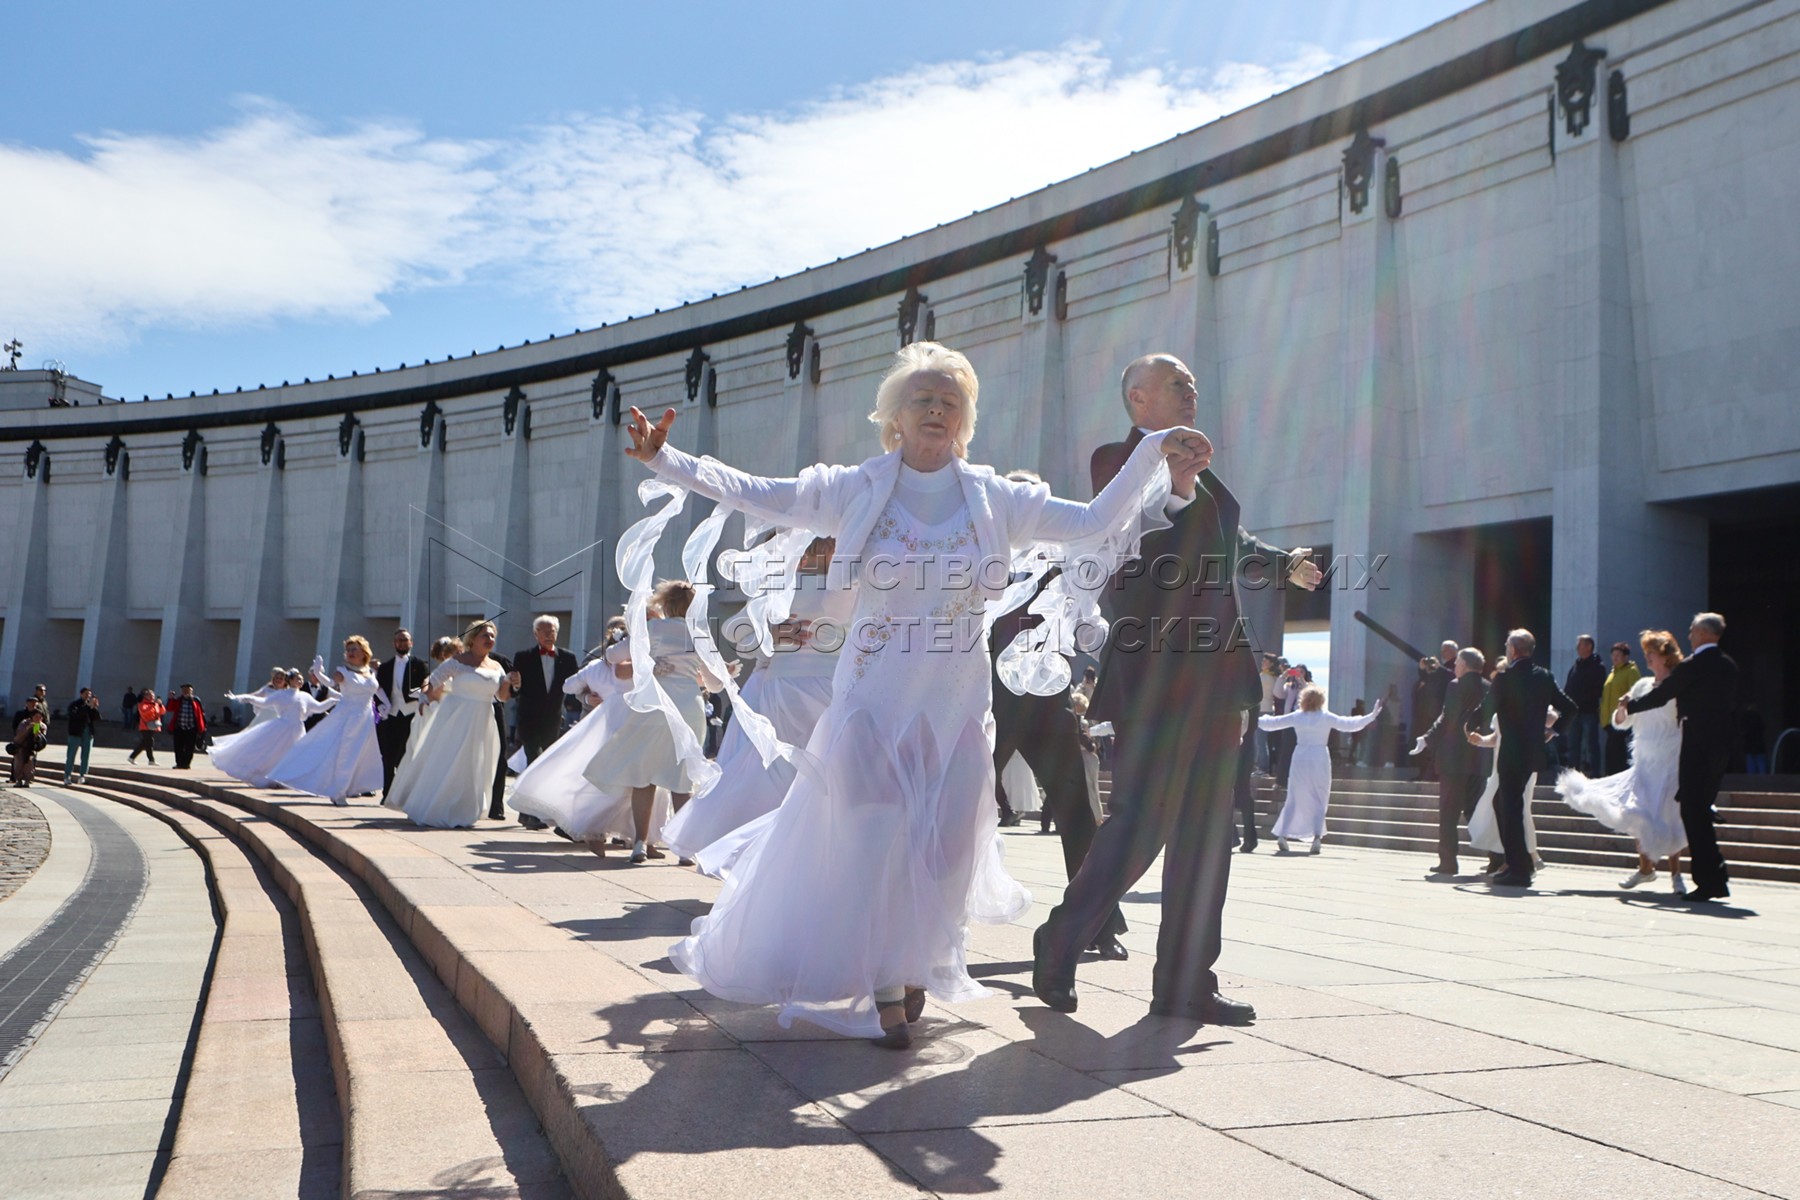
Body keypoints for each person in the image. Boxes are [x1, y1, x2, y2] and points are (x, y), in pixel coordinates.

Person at [630, 340, 1209, 1047]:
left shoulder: (997, 498)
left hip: (957, 706)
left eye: (950, 400)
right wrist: (667, 460)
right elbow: (758, 491)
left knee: (943, 850)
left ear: (965, 420)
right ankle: (884, 977)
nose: (936, 408)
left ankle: (911, 962)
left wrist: (1151, 453)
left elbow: (1092, 523)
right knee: (877, 830)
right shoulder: (857, 488)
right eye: (922, 398)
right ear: (894, 416)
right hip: (871, 701)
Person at [1034, 352, 1320, 1026]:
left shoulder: (1201, 467)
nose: (1192, 391)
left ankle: (1187, 984)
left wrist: (1285, 564)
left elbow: (1228, 540)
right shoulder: (1119, 459)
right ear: (1139, 399)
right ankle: (1061, 938)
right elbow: (1138, 530)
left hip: (1217, 680)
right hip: (1156, 676)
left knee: (1207, 833)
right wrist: (1180, 491)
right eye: (1176, 384)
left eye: (1193, 382)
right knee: (1142, 819)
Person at [664, 538, 852, 870]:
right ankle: (788, 860)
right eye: (822, 546)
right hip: (796, 690)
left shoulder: (835, 582)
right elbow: (738, 629)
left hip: (818, 689)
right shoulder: (807, 584)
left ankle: (793, 859)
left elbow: (738, 630)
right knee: (792, 775)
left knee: (800, 775)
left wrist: (771, 635)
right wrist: (772, 634)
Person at [582, 581, 723, 862]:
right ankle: (683, 849)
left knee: (644, 778)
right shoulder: (700, 635)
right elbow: (716, 685)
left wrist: (648, 663)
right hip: (688, 708)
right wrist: (693, 674)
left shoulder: (652, 629)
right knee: (682, 778)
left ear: (664, 604)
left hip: (653, 706)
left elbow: (611, 656)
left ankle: (639, 843)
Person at [1620, 612, 1738, 903]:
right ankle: (1716, 877)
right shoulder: (1729, 665)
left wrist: (1631, 705)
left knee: (1692, 812)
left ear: (1703, 633)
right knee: (1699, 809)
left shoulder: (1693, 665)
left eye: (1692, 630)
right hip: (1722, 746)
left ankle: (1708, 882)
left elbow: (1662, 695)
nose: (1689, 635)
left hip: (1695, 745)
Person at [1560, 630, 1687, 893]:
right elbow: (1621, 723)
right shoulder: (1642, 685)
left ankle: (1676, 874)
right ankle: (1645, 870)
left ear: (1665, 656)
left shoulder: (1677, 686)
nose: (1648, 659)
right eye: (1646, 655)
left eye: (1651, 654)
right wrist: (1622, 707)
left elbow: (1687, 721)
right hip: (1645, 762)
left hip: (1670, 760)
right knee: (1637, 812)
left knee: (1670, 815)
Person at [386, 620, 516, 829]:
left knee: (475, 764)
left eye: (492, 636)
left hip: (483, 719)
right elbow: (434, 680)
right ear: (473, 638)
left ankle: (465, 810)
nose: (490, 639)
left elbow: (501, 697)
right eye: (485, 635)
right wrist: (425, 699)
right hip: (457, 717)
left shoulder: (496, 666)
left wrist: (509, 683)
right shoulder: (457, 661)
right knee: (451, 760)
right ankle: (437, 805)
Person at [1474, 629, 1575, 888]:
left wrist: (1464, 724)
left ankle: (1519, 870)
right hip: (1532, 753)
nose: (1506, 648)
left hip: (1511, 753)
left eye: (1508, 645)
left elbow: (1486, 708)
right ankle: (1521, 863)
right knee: (1506, 804)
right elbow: (1570, 708)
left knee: (1511, 808)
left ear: (1513, 650)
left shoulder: (1506, 677)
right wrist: (1553, 731)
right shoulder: (1543, 676)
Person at [270, 636, 390, 805]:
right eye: (348, 650)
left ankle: (350, 788)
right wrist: (319, 673)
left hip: (366, 719)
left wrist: (386, 704)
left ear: (364, 652)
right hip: (348, 717)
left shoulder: (370, 671)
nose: (350, 653)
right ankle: (338, 792)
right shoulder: (343, 671)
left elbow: (376, 689)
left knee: (362, 756)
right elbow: (331, 683)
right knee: (346, 754)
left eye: (354, 649)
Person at [1259, 688, 1380, 854]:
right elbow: (1348, 724)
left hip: (1300, 756)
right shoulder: (1325, 716)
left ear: (1303, 699)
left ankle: (1283, 835)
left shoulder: (1298, 716)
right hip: (1319, 757)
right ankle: (1316, 838)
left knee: (1294, 797)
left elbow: (1272, 723)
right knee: (1319, 797)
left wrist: (1254, 717)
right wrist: (1370, 717)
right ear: (1322, 700)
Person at [1411, 647, 1491, 877]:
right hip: (1479, 758)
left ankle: (1448, 861)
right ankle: (1497, 857)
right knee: (1476, 810)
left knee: (1448, 812)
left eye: (1457, 663)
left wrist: (1427, 739)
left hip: (1454, 760)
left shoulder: (1456, 686)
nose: (1454, 667)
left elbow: (1448, 718)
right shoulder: (1489, 687)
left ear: (1464, 665)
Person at [213, 669, 336, 788]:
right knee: (276, 753)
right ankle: (270, 776)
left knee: (295, 755)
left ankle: (287, 778)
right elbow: (263, 701)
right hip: (282, 728)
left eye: (301, 679)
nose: (300, 680)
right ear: (290, 680)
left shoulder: (305, 696)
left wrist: (333, 700)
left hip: (298, 729)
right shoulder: (281, 694)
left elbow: (319, 707)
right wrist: (245, 697)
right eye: (298, 678)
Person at [511, 616, 579, 764]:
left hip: (554, 717)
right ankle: (529, 787)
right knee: (533, 755)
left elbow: (577, 684)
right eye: (544, 631)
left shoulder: (568, 658)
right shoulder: (523, 657)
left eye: (552, 631)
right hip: (528, 717)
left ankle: (543, 787)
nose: (549, 635)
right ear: (536, 634)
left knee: (549, 759)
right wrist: (516, 685)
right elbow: (515, 689)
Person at [375, 628, 430, 797]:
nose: (402, 643)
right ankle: (387, 793)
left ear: (411, 643)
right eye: (398, 640)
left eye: (405, 640)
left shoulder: (419, 664)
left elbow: (426, 684)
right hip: (390, 715)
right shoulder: (385, 667)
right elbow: (377, 689)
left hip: (410, 714)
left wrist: (419, 693)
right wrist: (380, 706)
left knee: (406, 754)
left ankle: (405, 792)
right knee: (388, 755)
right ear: (394, 643)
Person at [1563, 635, 1607, 776]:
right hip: (1574, 714)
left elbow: (1598, 690)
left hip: (1588, 712)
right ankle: (1572, 776)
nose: (1577, 647)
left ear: (1589, 647)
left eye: (1580, 644)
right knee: (1572, 747)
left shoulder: (1597, 667)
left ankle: (1595, 776)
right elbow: (1568, 688)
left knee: (1591, 746)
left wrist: (1581, 701)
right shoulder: (1576, 666)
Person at [1600, 642, 1641, 777]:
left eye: (1618, 655)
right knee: (1611, 753)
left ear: (1626, 657)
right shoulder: (1613, 673)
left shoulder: (1631, 671)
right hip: (1609, 722)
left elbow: (1635, 693)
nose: (1615, 658)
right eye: (1613, 655)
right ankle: (1612, 779)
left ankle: (1618, 779)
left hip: (1622, 721)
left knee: (1617, 754)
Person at [1412, 657, 1448, 783]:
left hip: (1437, 718)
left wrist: (1440, 667)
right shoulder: (1424, 680)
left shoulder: (1444, 678)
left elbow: (1450, 676)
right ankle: (1423, 773)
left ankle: (1432, 775)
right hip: (1423, 719)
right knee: (1423, 747)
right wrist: (1422, 669)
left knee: (1435, 749)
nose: (1431, 667)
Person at [63, 687, 102, 784]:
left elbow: (96, 718)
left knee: (86, 755)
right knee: (71, 755)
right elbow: (74, 715)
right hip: (75, 732)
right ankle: (67, 775)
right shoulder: (75, 705)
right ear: (81, 694)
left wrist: (94, 707)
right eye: (86, 694)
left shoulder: (90, 706)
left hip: (88, 732)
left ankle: (82, 775)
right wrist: (86, 706)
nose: (88, 696)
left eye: (89, 694)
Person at [165, 683, 208, 770]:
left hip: (191, 727)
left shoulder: (196, 700)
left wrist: (202, 727)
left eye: (188, 690)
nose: (186, 692)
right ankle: (179, 763)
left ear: (191, 691)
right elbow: (169, 708)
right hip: (180, 727)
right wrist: (170, 698)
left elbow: (201, 714)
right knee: (178, 746)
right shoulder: (178, 700)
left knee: (189, 747)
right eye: (184, 690)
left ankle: (186, 764)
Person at [8, 700, 48, 786]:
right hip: (21, 746)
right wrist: (28, 728)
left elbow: (42, 739)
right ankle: (18, 780)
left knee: (29, 765)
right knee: (18, 763)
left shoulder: (42, 726)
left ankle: (27, 780)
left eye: (40, 717)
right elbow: (19, 735)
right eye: (36, 717)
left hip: (31, 747)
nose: (38, 719)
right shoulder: (24, 723)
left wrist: (37, 735)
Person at [128, 688, 165, 765]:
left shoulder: (155, 704)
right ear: (146, 696)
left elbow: (162, 712)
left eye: (153, 695)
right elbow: (144, 712)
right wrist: (152, 706)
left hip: (153, 725)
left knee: (146, 743)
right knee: (149, 742)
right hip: (145, 726)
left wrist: (160, 705)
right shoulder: (142, 704)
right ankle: (151, 760)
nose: (153, 697)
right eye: (151, 695)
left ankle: (132, 757)